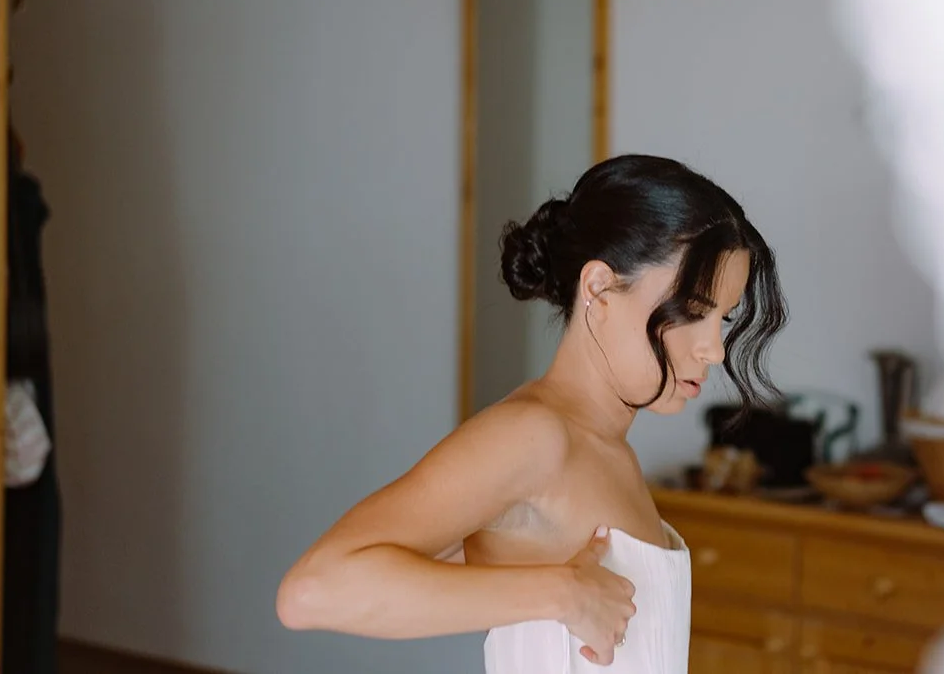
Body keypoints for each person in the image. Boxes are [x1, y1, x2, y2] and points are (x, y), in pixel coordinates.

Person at [276, 154, 789, 672]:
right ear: (599, 289)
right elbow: (314, 591)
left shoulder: (607, 449)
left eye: (722, 318)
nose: (715, 349)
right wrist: (560, 592)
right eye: (693, 312)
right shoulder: (534, 437)